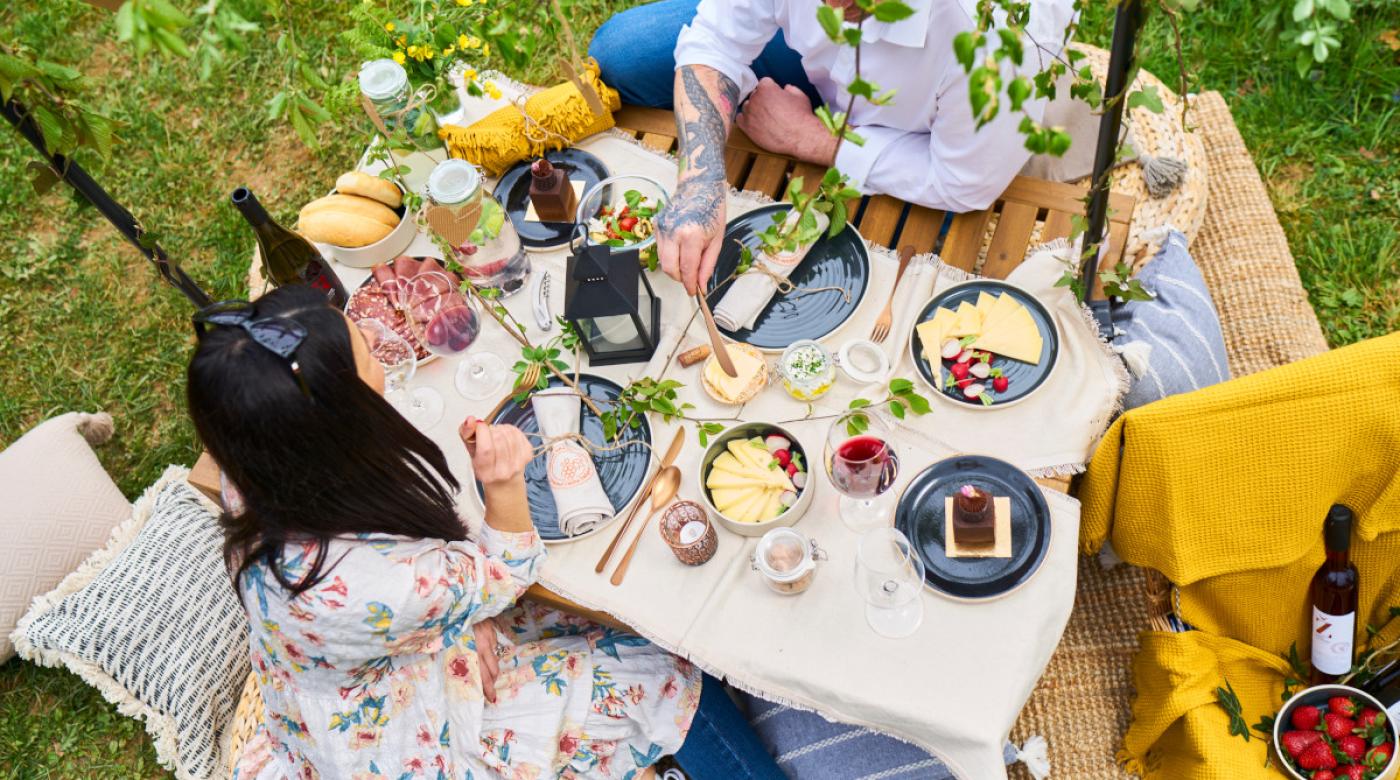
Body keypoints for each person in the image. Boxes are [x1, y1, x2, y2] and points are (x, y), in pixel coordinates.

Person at [186, 286, 784, 779]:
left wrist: (454, 624)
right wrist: (502, 488)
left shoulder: (259, 470)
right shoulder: (371, 583)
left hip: (370, 659)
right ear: (337, 420)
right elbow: (507, 573)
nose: (377, 341)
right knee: (659, 670)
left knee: (580, 619)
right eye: (366, 351)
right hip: (404, 733)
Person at [589, 0, 1076, 294]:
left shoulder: (1001, 41)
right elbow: (715, 42)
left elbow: (961, 182)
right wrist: (700, 183)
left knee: (871, 295)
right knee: (621, 53)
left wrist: (811, 139)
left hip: (917, 137)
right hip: (819, 72)